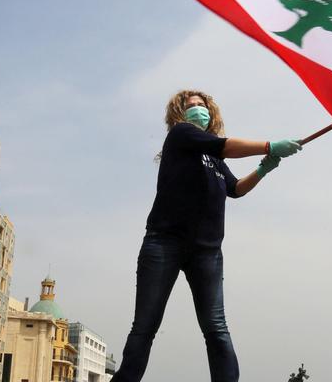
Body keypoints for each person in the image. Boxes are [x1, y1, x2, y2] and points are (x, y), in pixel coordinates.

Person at [111, 90, 303, 382]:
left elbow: (235, 189)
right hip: (165, 242)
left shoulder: (213, 159)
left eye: (202, 106)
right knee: (145, 326)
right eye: (192, 106)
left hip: (207, 251)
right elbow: (225, 146)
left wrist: (264, 168)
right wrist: (268, 145)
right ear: (180, 113)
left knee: (216, 327)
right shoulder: (181, 134)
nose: (198, 110)